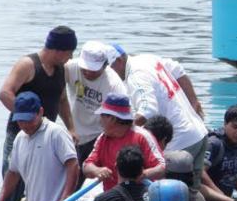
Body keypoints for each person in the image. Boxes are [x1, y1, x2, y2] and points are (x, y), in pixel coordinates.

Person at [0, 26, 78, 201]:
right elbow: (4, 93)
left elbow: (62, 100)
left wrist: (70, 127)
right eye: (69, 53)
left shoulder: (61, 70)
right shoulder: (28, 65)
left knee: (45, 183)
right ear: (58, 50)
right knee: (13, 182)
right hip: (20, 134)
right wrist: (29, 120)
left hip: (47, 137)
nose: (70, 58)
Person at [107, 45, 207, 188]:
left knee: (169, 193)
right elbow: (178, 69)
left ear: (119, 60)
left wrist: (122, 133)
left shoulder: (135, 77)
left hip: (179, 143)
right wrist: (194, 101)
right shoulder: (147, 59)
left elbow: (148, 110)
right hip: (198, 133)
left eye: (110, 68)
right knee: (192, 191)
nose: (110, 74)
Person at [65, 40, 128, 190]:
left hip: (98, 136)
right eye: (85, 68)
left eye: (93, 70)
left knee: (88, 179)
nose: (87, 72)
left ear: (105, 65)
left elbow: (124, 120)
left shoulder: (114, 85)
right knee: (68, 181)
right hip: (74, 134)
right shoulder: (71, 68)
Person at [82, 93, 165, 192]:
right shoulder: (103, 138)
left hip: (141, 195)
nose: (100, 120)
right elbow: (86, 166)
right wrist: (97, 171)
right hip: (113, 196)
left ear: (113, 119)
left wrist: (141, 175)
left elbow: (161, 168)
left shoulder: (142, 136)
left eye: (102, 115)